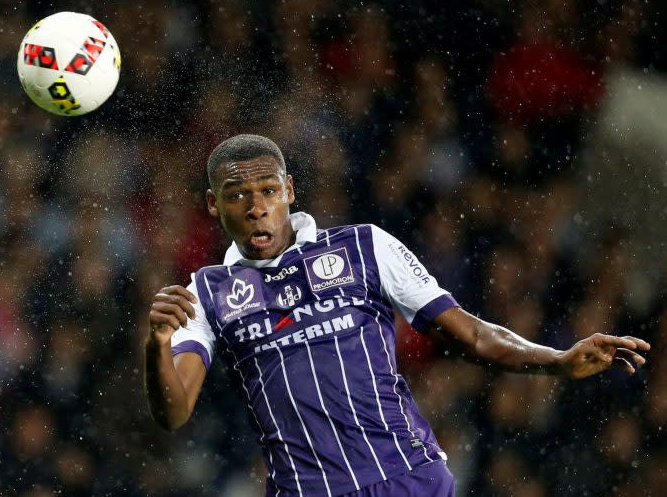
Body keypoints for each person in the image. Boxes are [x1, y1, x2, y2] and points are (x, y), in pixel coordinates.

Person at [143, 134, 650, 497]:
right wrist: (156, 346)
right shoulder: (205, 292)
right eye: (238, 195)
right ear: (214, 204)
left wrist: (557, 360)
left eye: (268, 191)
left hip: (409, 475)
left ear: (289, 191)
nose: (257, 207)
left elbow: (471, 333)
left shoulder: (364, 246)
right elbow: (174, 411)